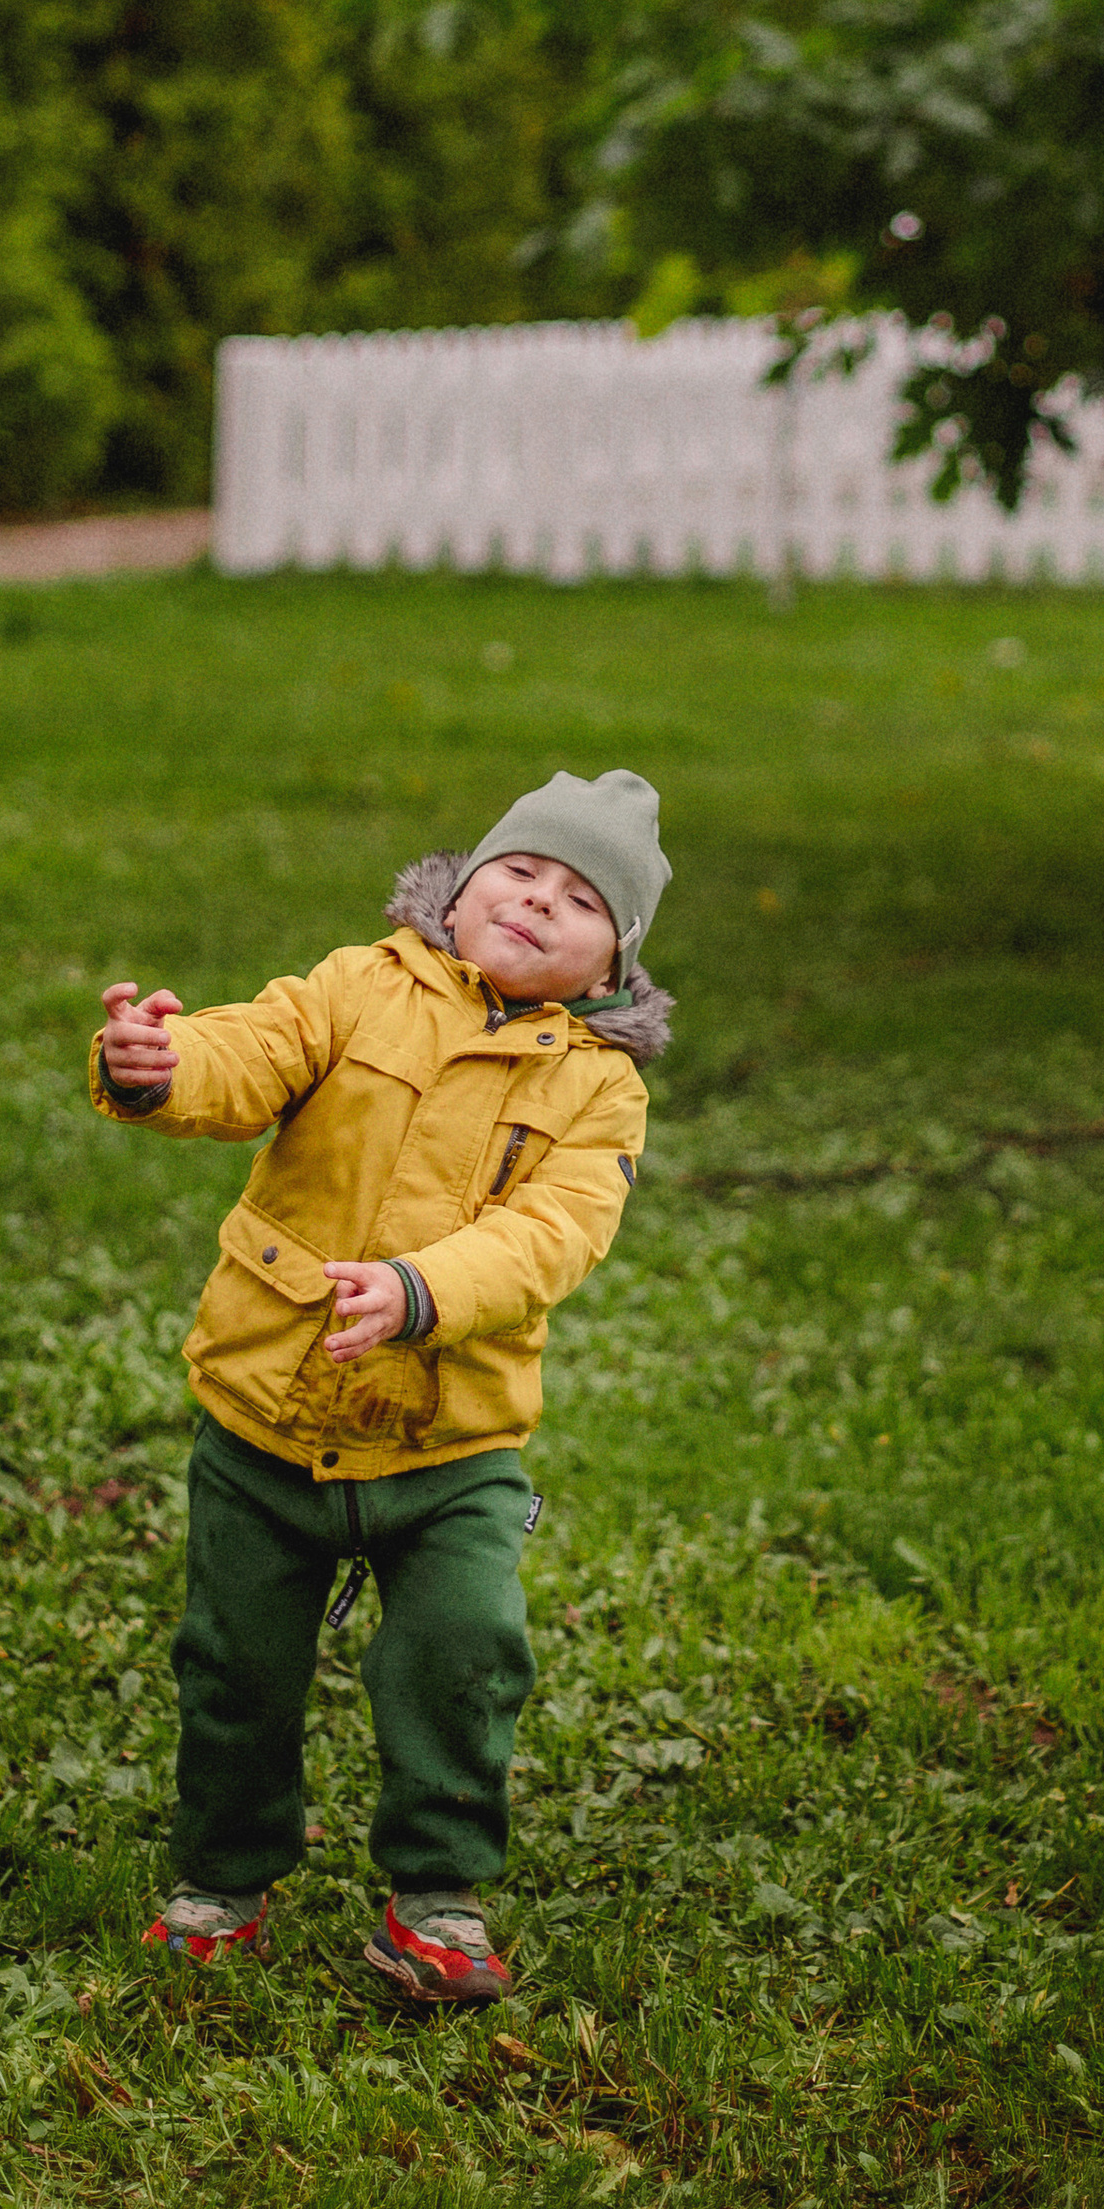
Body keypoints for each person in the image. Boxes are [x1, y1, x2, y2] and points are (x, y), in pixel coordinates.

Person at [90, 770, 670, 2005]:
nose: (536, 901)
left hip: (449, 1442)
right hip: (268, 1415)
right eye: (519, 871)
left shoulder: (599, 1090)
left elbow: (552, 1236)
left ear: (611, 962)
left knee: (467, 1650)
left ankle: (438, 1901)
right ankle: (220, 1882)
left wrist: (421, 1290)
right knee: (235, 1661)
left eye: (578, 900)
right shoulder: (360, 985)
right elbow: (251, 1051)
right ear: (462, 887)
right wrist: (159, 1062)